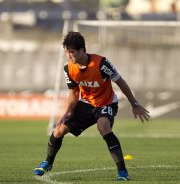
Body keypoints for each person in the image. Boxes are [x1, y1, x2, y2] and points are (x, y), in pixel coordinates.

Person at [34, 31, 150, 181]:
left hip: (106, 103)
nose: (68, 56)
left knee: (103, 127)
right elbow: (74, 93)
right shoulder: (68, 68)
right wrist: (68, 112)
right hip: (86, 104)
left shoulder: (101, 64)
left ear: (83, 50)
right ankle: (48, 163)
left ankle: (122, 172)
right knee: (58, 131)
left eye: (72, 52)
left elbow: (120, 82)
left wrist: (135, 104)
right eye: (66, 52)